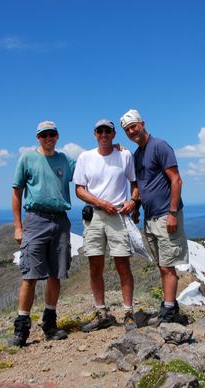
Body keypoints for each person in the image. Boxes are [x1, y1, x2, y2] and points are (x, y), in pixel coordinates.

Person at [120, 109, 189, 325]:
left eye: (134, 126)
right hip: (150, 218)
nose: (132, 131)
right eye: (127, 129)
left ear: (142, 123)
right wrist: (137, 207)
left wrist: (172, 213)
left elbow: (176, 180)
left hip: (165, 215)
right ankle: (170, 306)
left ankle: (169, 313)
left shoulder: (159, 146)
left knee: (168, 265)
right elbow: (142, 186)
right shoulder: (137, 155)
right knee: (162, 265)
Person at [10, 120, 75, 346]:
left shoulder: (65, 160)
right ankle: (21, 328)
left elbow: (90, 168)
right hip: (36, 220)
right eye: (44, 134)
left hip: (60, 220)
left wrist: (114, 149)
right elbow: (17, 191)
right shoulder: (27, 158)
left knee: (56, 274)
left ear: (57, 136)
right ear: (38, 137)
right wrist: (18, 225)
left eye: (52, 134)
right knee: (30, 275)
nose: (48, 138)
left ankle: (50, 322)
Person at [73, 119, 139, 332]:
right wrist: (101, 203)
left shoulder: (125, 156)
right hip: (95, 215)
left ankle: (128, 313)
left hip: (118, 214)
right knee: (95, 265)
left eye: (107, 131)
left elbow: (135, 184)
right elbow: (80, 189)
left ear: (113, 134)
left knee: (123, 264)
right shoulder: (85, 157)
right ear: (95, 134)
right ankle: (102, 313)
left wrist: (133, 201)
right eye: (100, 131)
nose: (103, 134)